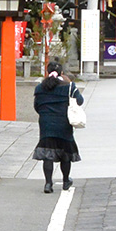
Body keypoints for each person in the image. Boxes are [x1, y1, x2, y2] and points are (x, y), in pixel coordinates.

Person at [33, 61, 84, 194]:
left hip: (46, 123)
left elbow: (37, 106)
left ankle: (48, 183)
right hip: (63, 123)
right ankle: (66, 180)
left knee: (47, 154)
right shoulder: (69, 87)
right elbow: (80, 101)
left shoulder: (39, 88)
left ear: (47, 72)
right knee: (65, 153)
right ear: (62, 73)